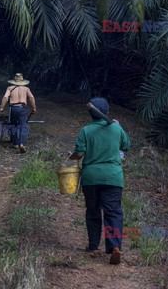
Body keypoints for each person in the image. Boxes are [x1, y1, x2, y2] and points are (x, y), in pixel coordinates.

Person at [68, 97, 131, 265]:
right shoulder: (116, 129)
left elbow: (79, 154)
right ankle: (115, 247)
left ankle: (94, 246)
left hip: (91, 178)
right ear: (107, 112)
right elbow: (126, 146)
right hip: (113, 177)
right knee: (113, 212)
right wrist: (118, 127)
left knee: (93, 210)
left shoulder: (86, 131)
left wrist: (71, 156)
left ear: (91, 114)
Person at [0, 73, 37, 153]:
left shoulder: (10, 88)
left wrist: (1, 107)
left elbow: (5, 97)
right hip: (22, 108)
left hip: (13, 108)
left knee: (13, 124)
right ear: (22, 81)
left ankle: (15, 143)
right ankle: (22, 143)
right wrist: (34, 108)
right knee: (23, 125)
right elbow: (31, 97)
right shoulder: (26, 89)